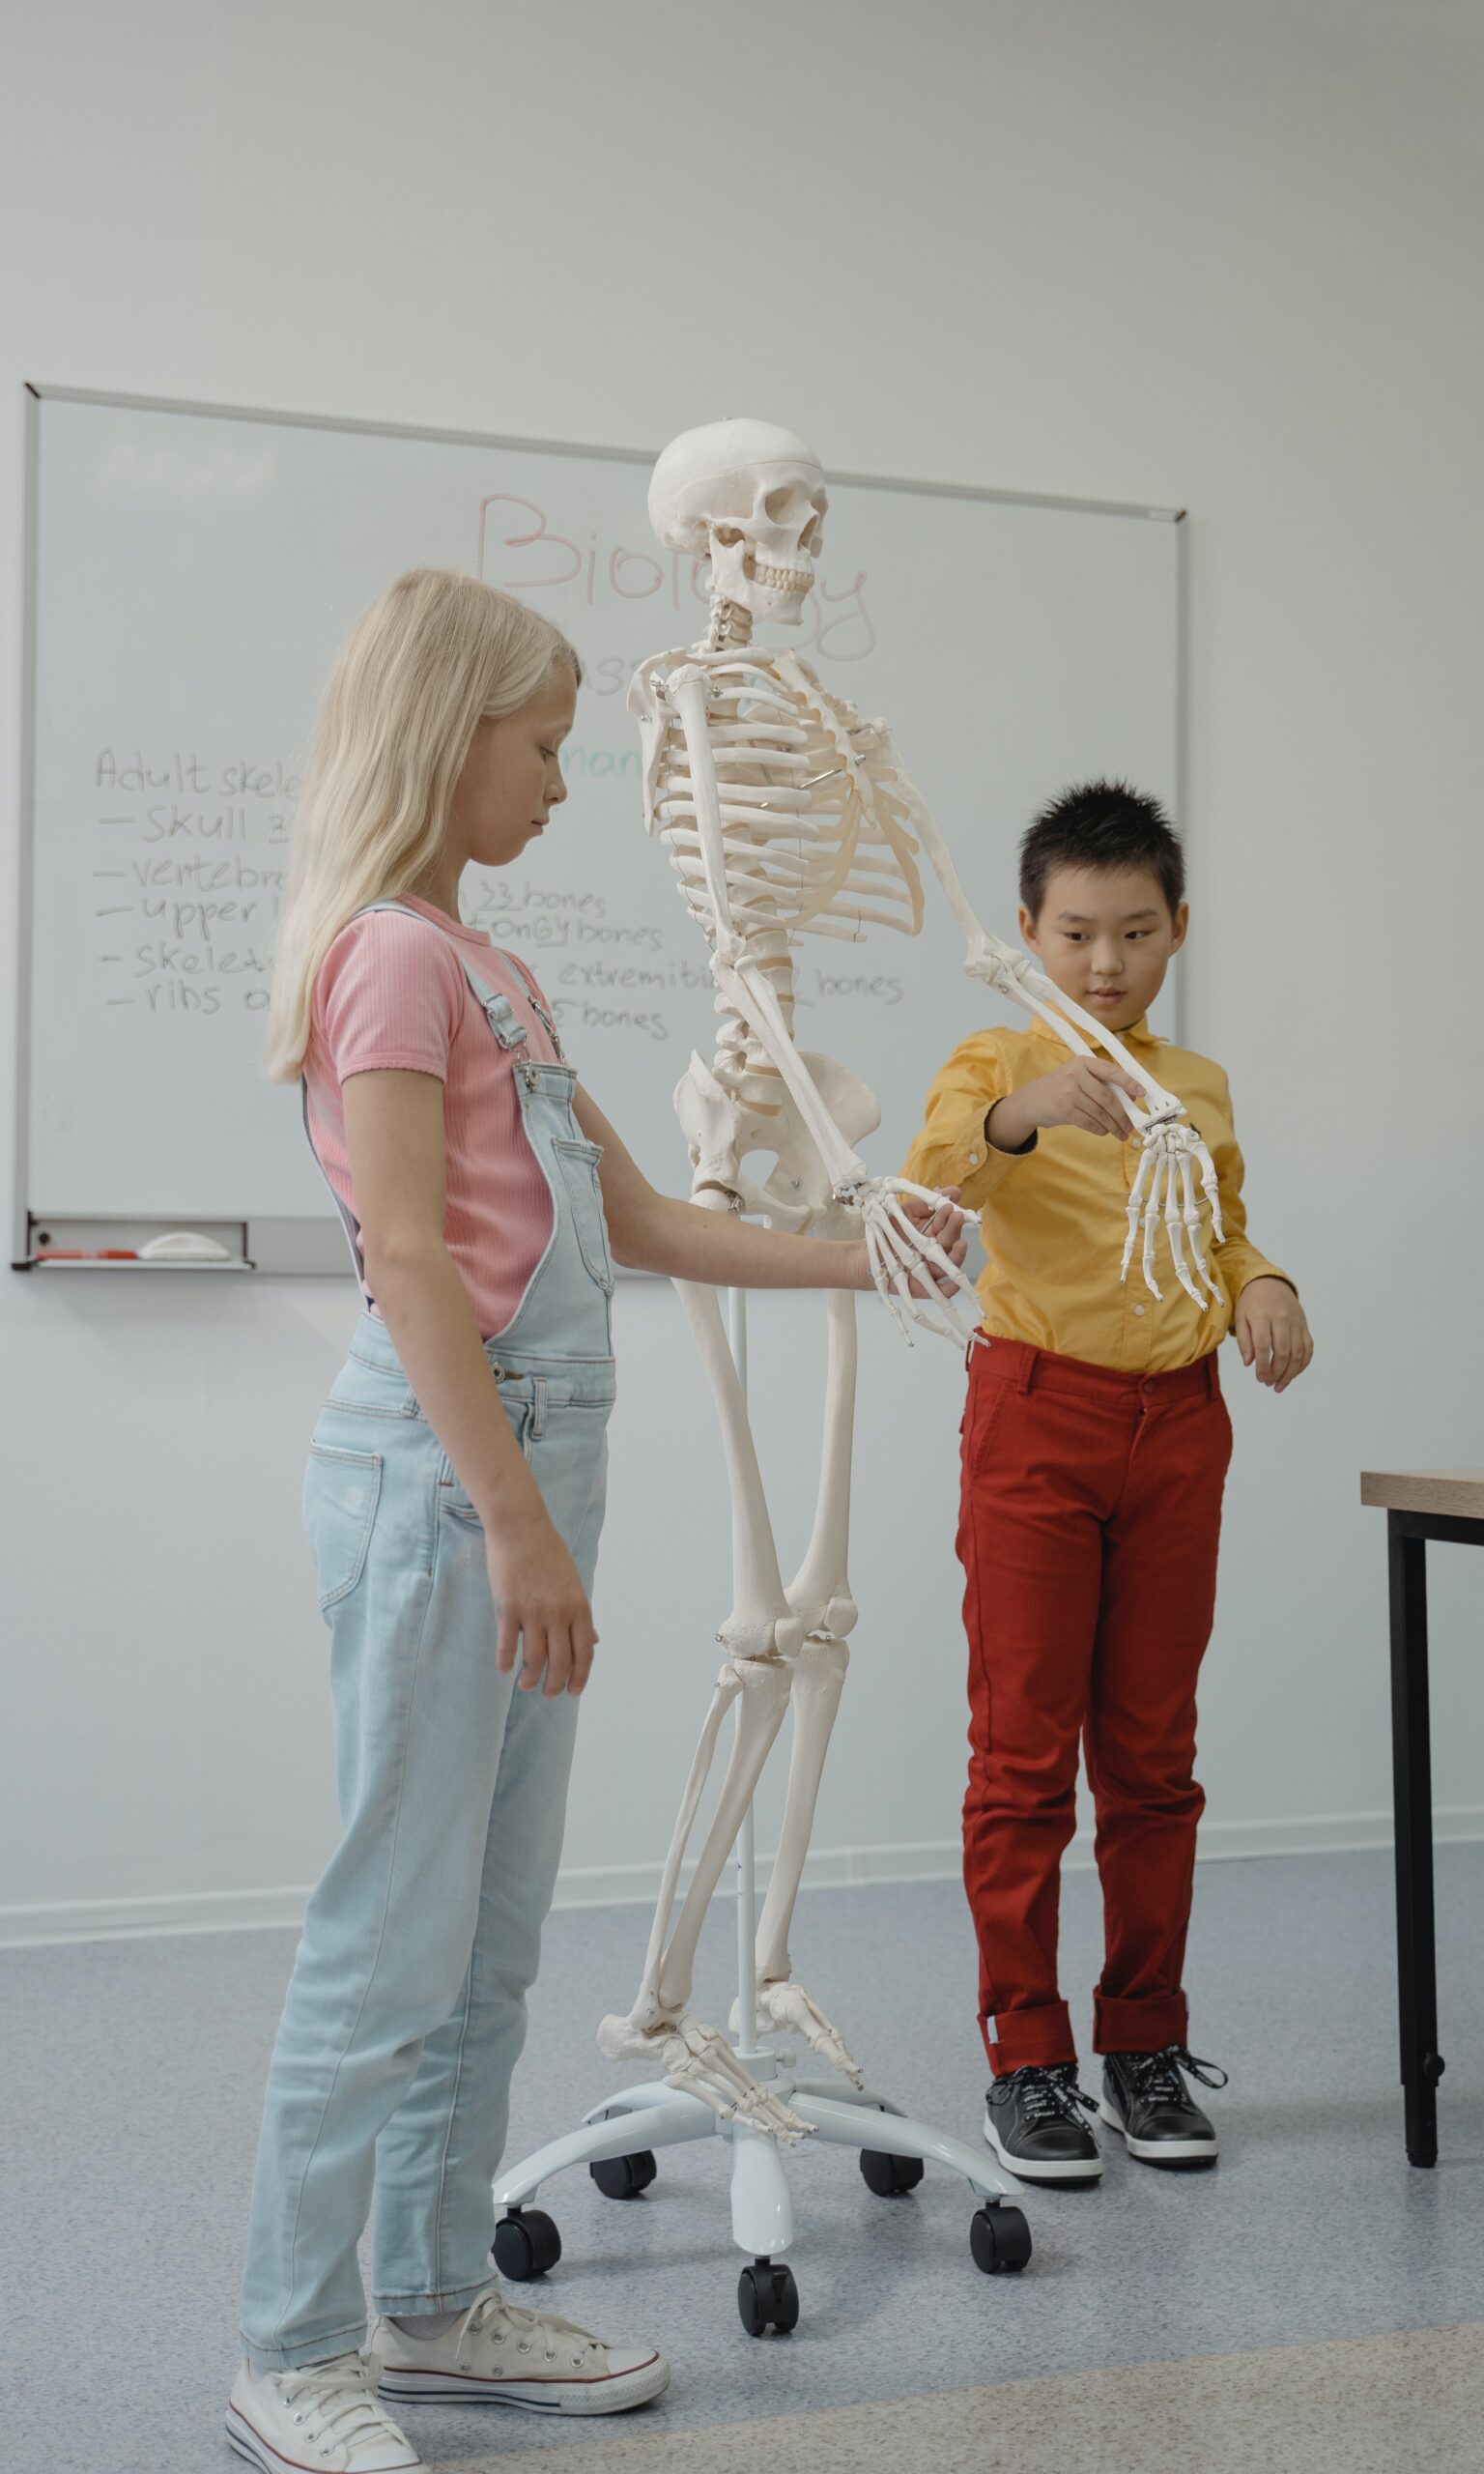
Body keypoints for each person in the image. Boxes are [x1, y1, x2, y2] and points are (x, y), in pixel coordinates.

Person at [229, 567, 966, 2474]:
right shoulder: (386, 955)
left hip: (534, 1462)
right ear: (442, 733)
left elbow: (631, 1224)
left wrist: (857, 1253)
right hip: (447, 1473)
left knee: (486, 1935)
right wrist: (513, 1524)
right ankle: (292, 2340)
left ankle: (430, 2293)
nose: (564, 778)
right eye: (541, 742)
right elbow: (408, 1257)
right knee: (385, 1934)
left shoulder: (495, 969)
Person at [901, 779, 1312, 2188]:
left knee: (1154, 1757)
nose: (1105, 965)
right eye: (1076, 933)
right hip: (1038, 1418)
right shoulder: (992, 1064)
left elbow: (1224, 1226)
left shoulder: (1196, 1086)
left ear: (1178, 930)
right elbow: (934, 1188)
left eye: (1135, 933)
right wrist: (1027, 1112)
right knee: (1023, 1760)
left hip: (1179, 1422)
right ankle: (1028, 2058)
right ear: (1025, 930)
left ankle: (1143, 2044)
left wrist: (1264, 1281)